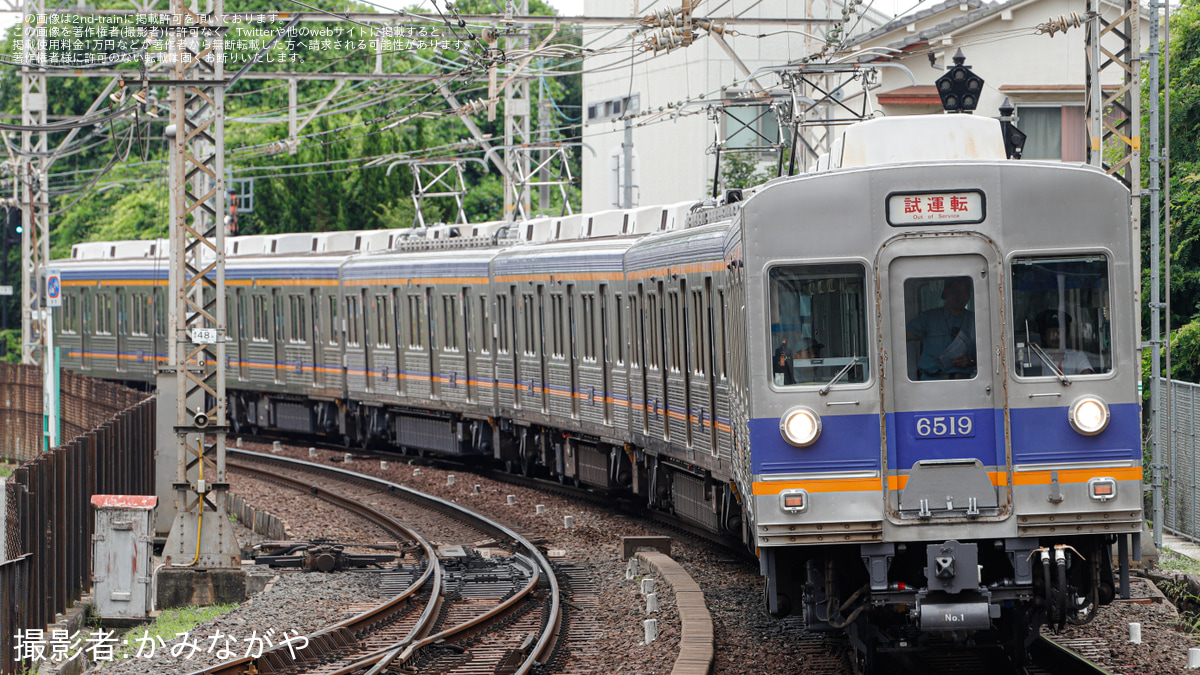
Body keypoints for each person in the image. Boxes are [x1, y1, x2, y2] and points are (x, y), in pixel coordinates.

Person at [906, 277, 977, 380]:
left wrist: (970, 360)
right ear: (945, 293)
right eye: (955, 291)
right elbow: (904, 336)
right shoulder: (929, 318)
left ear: (969, 295)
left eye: (964, 292)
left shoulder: (975, 319)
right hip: (931, 382)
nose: (959, 296)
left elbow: (988, 350)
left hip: (965, 382)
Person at [1036, 309, 1094, 375]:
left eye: (1059, 330)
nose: (1056, 335)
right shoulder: (1038, 360)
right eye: (1051, 331)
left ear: (1067, 335)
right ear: (1044, 336)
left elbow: (1087, 377)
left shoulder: (1078, 357)